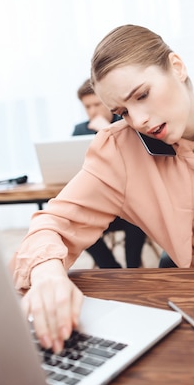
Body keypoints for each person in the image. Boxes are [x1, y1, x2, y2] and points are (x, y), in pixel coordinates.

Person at [10, 24, 194, 353]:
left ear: (177, 67)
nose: (138, 120)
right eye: (123, 111)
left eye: (142, 95)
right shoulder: (118, 151)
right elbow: (51, 224)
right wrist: (47, 275)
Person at [72, 79, 147, 269]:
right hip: (100, 204)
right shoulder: (80, 130)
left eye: (97, 104)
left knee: (138, 215)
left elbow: (135, 163)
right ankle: (111, 268)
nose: (92, 111)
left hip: (128, 205)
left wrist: (105, 131)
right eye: (87, 106)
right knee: (75, 223)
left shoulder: (126, 122)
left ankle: (133, 270)